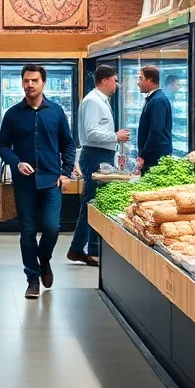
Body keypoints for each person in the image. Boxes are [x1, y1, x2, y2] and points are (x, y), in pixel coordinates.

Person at [0, 64, 75, 299]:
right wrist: (16, 162)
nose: (29, 85)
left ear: (43, 83)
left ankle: (45, 259)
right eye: (26, 80)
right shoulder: (12, 114)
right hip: (25, 183)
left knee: (52, 227)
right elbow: (2, 145)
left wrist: (66, 172)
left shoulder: (56, 112)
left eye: (34, 80)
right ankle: (32, 279)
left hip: (51, 180)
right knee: (28, 231)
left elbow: (68, 144)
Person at [68, 64, 129, 267]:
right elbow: (91, 132)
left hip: (101, 154)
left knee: (94, 202)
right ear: (105, 80)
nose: (117, 84)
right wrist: (115, 136)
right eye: (115, 80)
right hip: (95, 156)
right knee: (93, 202)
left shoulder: (101, 100)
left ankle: (81, 248)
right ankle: (89, 249)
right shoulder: (93, 101)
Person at [136, 65, 174, 172]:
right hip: (152, 155)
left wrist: (143, 155)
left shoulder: (158, 101)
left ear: (150, 80)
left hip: (156, 157)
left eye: (140, 78)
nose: (138, 83)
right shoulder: (153, 99)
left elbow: (156, 131)